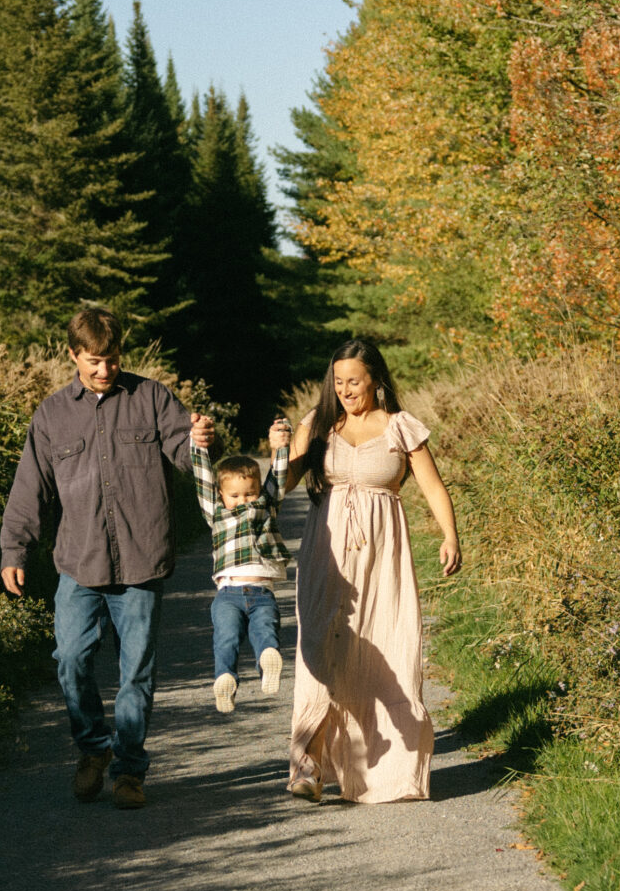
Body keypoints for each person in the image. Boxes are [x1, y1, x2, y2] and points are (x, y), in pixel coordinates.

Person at [0, 305, 203, 811]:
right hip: (79, 562)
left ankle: (129, 771)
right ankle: (93, 748)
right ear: (72, 355)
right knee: (70, 660)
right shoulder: (50, 415)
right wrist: (14, 549)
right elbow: (31, 489)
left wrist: (199, 440)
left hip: (141, 560)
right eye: (93, 361)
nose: (104, 370)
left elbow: (184, 452)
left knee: (135, 672)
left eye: (111, 359)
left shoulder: (152, 397)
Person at [286, 339, 463, 804]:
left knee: (385, 644)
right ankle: (309, 763)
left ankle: (385, 773)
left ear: (375, 380)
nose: (345, 390)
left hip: (383, 553)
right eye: (339, 382)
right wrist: (281, 448)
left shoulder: (399, 427)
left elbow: (431, 484)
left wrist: (450, 535)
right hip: (325, 552)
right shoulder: (318, 425)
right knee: (320, 643)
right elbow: (284, 482)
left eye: (355, 382)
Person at [192, 416, 295, 714]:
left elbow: (277, 475)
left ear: (257, 491)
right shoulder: (217, 514)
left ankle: (268, 662)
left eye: (250, 493)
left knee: (266, 633)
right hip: (228, 595)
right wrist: (198, 446)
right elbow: (202, 478)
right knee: (225, 639)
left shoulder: (266, 507)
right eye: (235, 496)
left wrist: (280, 444)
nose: (244, 500)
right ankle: (225, 679)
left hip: (262, 592)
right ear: (221, 495)